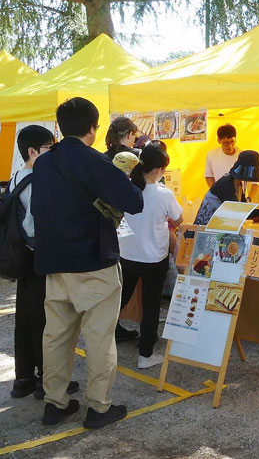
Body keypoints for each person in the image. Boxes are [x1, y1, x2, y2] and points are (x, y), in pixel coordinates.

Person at [32, 97, 144, 428]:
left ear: (61, 126)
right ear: (93, 129)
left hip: (54, 262)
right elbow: (133, 202)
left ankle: (55, 402)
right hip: (94, 262)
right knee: (98, 338)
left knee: (56, 335)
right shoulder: (96, 162)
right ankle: (99, 407)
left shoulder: (43, 164)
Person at [8, 126, 80, 401]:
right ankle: (46, 381)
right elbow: (38, 224)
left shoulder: (17, 178)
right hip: (39, 257)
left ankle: (24, 378)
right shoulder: (38, 181)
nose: (53, 152)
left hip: (21, 257)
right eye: (49, 148)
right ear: (33, 151)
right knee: (47, 321)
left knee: (25, 319)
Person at [117, 145, 183, 369]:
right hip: (154, 258)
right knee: (151, 306)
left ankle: (103, 340)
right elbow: (179, 219)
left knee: (119, 299)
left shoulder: (126, 187)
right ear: (158, 170)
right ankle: (146, 355)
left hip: (126, 254)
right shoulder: (162, 193)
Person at [194, 150, 259, 225]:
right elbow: (237, 212)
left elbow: (243, 207)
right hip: (206, 225)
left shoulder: (237, 183)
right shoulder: (226, 184)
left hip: (216, 224)